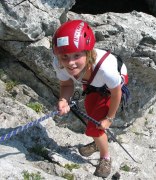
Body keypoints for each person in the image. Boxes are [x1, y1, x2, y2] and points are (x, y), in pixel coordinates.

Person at [51, 19, 128, 178]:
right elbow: (66, 85)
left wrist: (109, 118)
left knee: (95, 126)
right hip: (91, 83)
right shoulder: (59, 63)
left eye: (77, 55)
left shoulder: (106, 70)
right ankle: (99, 141)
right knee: (92, 117)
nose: (70, 63)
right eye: (65, 56)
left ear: (88, 52)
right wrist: (63, 100)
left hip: (109, 87)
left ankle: (105, 157)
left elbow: (116, 93)